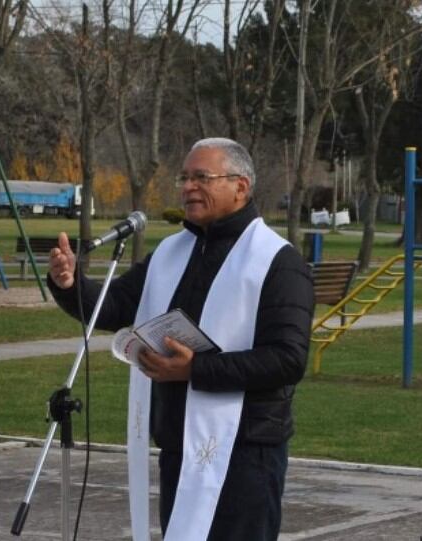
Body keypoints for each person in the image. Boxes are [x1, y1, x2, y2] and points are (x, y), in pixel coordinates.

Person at [47, 137, 314, 540]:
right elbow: (116, 304)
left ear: (241, 187)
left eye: (201, 177)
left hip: (246, 449)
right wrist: (70, 285)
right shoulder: (172, 252)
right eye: (185, 177)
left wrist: (194, 369)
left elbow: (287, 360)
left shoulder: (278, 261)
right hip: (178, 443)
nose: (188, 186)